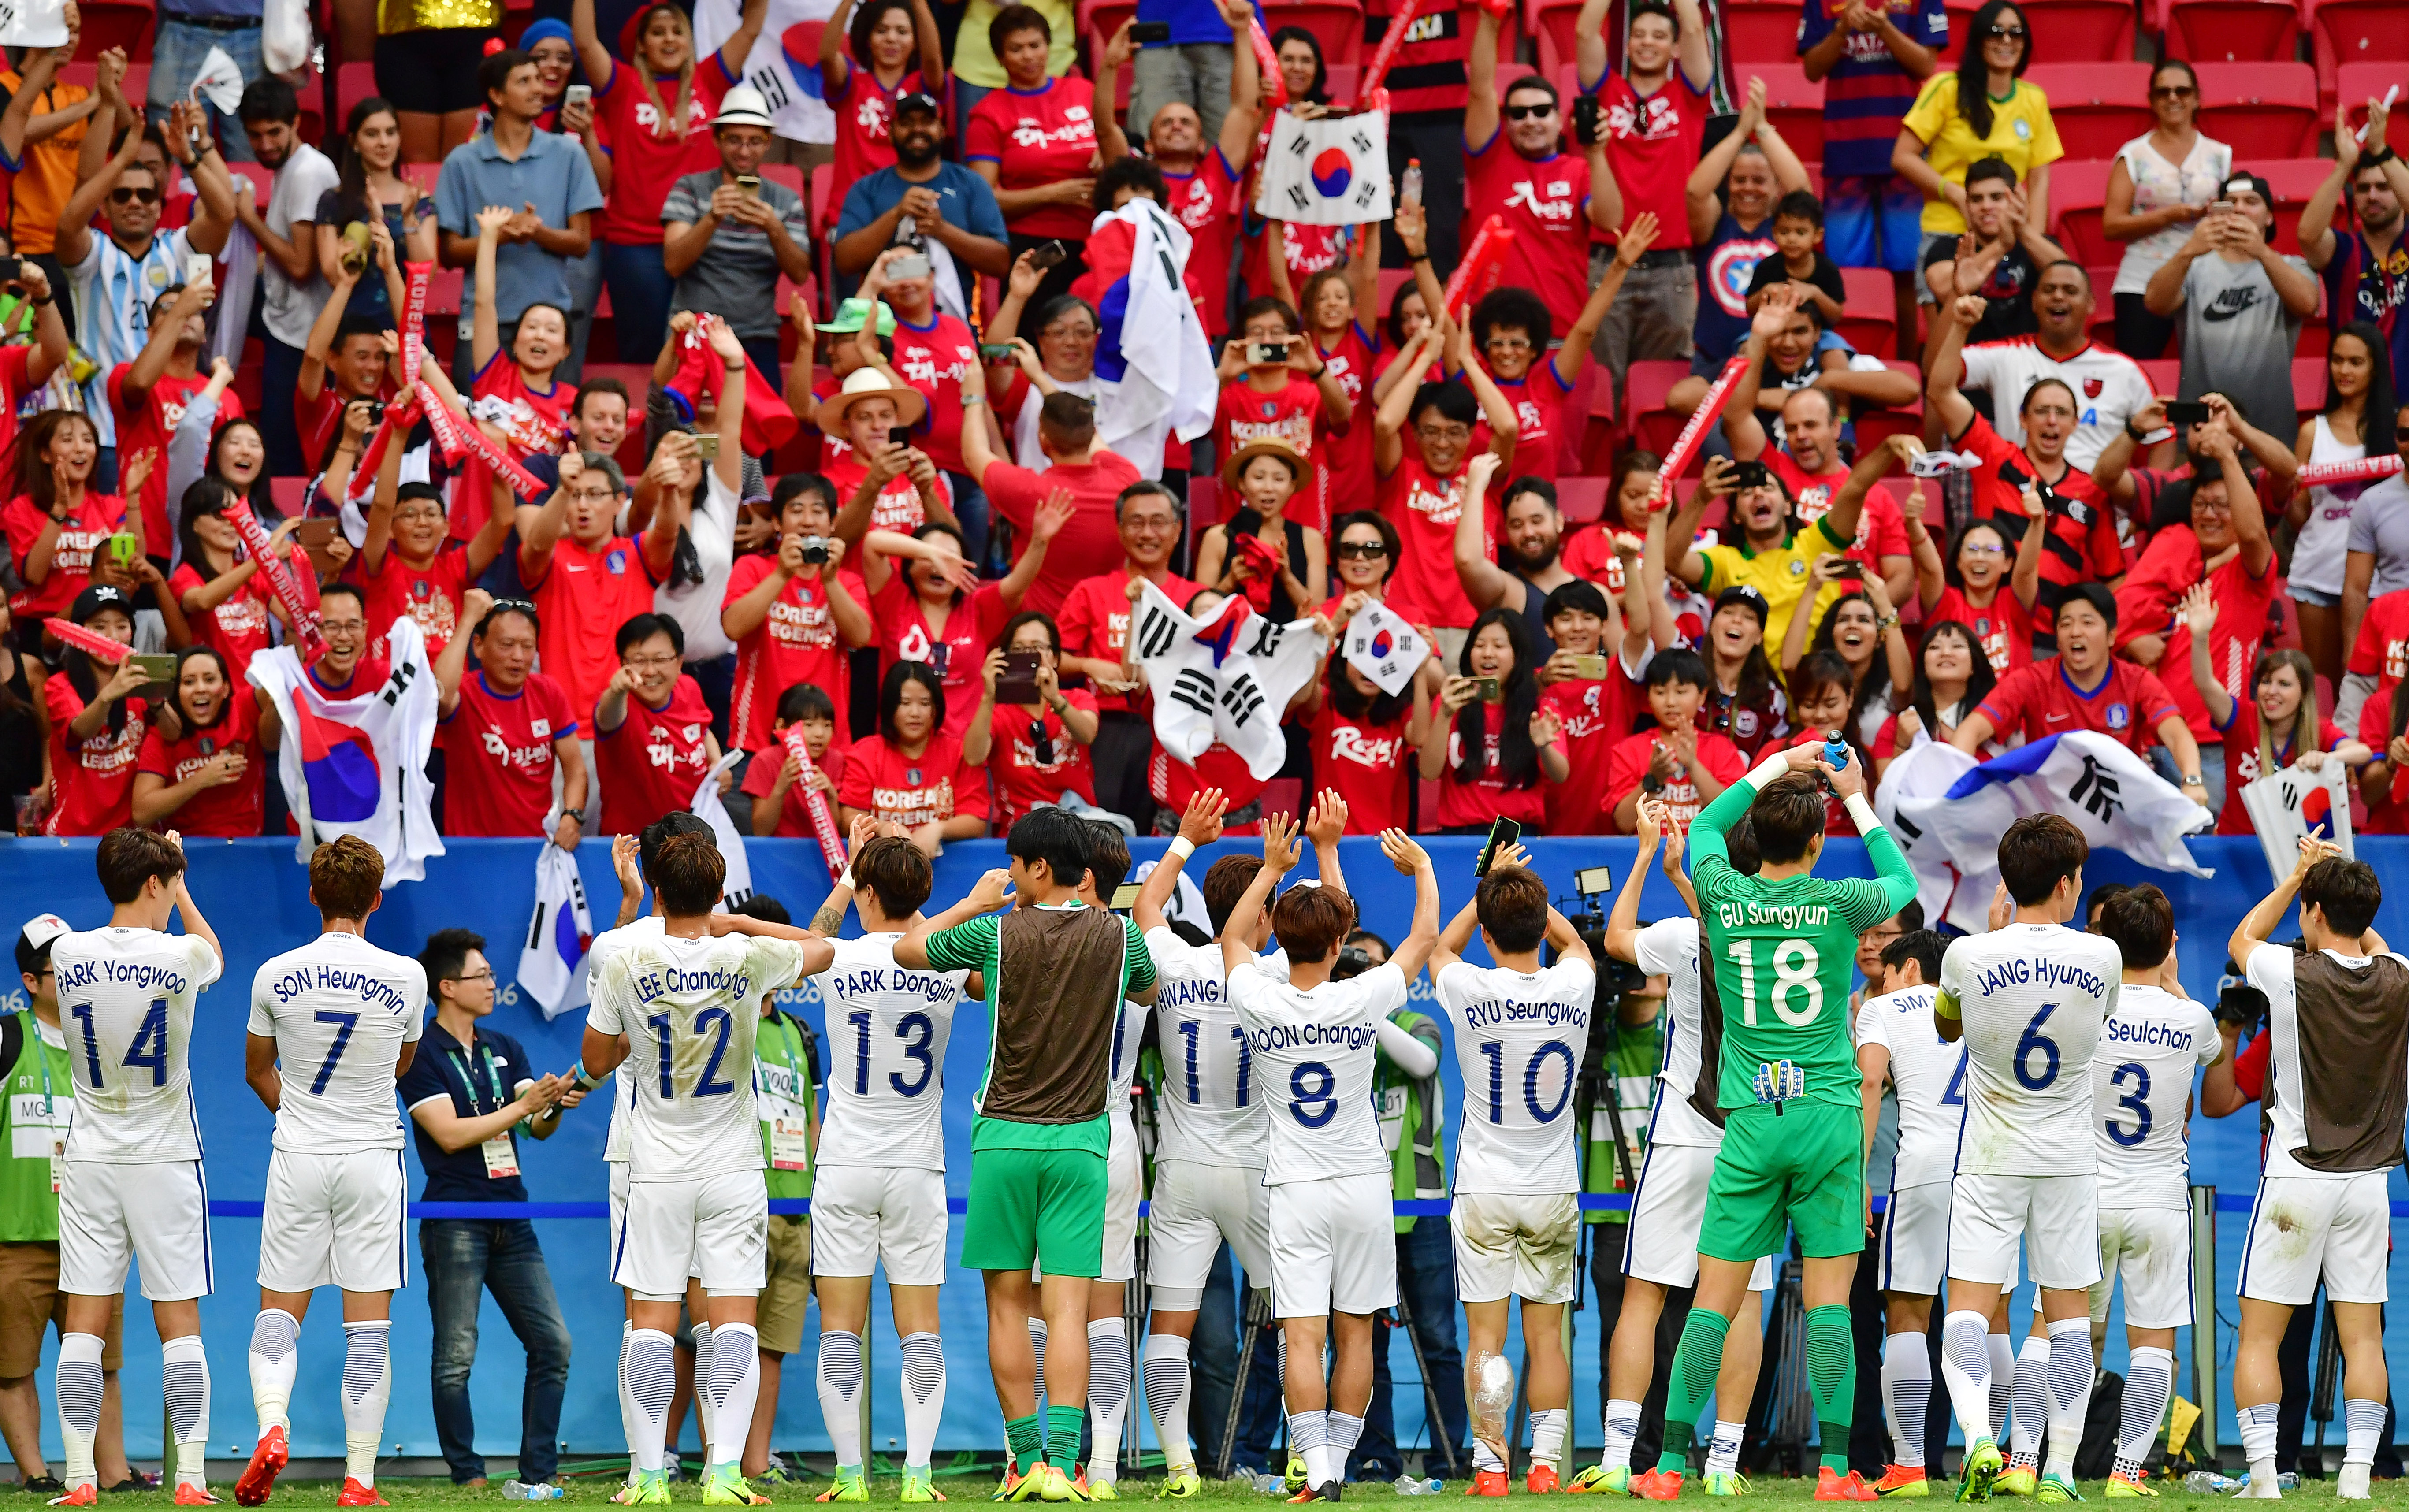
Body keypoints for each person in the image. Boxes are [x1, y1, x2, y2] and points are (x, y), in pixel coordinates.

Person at [1644, 743, 1918, 1500]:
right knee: (1830, 1303)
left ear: (1755, 841)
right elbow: (1903, 881)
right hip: (1829, 1114)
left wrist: (1778, 762)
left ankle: (1670, 1467)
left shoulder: (1723, 893)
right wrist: (1854, 793)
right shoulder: (1838, 902)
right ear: (1818, 843)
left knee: (1711, 1302)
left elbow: (1705, 825)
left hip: (1752, 1118)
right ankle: (1835, 1473)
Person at [893, 807, 1160, 1501]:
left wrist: (970, 904)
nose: (1008, 876)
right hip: (1083, 1143)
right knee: (1069, 1309)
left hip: (1005, 1138)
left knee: (1009, 1305)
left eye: (1014, 865)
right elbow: (1149, 989)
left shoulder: (995, 930)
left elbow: (907, 950)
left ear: (1039, 867)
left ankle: (1022, 1460)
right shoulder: (1121, 933)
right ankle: (1067, 1467)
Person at [584, 832, 830, 1506]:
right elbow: (823, 945)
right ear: (718, 893)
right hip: (732, 1167)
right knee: (734, 1323)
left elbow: (597, 1059)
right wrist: (741, 923)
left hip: (655, 1167)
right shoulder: (745, 954)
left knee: (652, 1324)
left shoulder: (624, 958)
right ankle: (724, 1473)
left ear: (657, 892)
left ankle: (652, 1475)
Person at [1220, 816, 1437, 1502]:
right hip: (1363, 1184)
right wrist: (1425, 870)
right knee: (1358, 1330)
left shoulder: (1259, 994)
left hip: (1294, 1185)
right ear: (1342, 943)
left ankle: (1315, 1467)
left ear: (1277, 938)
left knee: (1304, 1331)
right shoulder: (1362, 995)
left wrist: (1271, 865)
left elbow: (1229, 937)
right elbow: (1424, 938)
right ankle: (1338, 1465)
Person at [1573, 803, 1770, 1497]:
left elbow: (1619, 935)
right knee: (1742, 1302)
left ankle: (1620, 1456)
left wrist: (1645, 858)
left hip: (1685, 1131)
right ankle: (1722, 1463)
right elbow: (1731, 922)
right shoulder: (1793, 933)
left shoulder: (1690, 934)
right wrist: (1686, 879)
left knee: (1645, 1292)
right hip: (1756, 1134)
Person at [1927, 818, 2121, 1498]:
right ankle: (2059, 1470)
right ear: (2067, 883)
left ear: (2006, 882)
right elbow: (2094, 1027)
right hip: (2067, 1156)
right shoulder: (2103, 957)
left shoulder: (1966, 955)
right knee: (2069, 1315)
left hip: (1989, 1153)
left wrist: (1985, 951)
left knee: (1968, 1310)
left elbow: (1945, 1025)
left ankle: (1980, 1435)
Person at [232, 837, 425, 1508]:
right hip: (373, 1154)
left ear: (313, 895)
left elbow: (257, 1069)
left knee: (278, 1312)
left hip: (299, 1154)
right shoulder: (407, 975)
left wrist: (303, 1108)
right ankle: (360, 1480)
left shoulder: (273, 972)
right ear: (376, 898)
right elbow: (401, 1066)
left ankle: (272, 1423)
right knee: (368, 1326)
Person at [45, 828, 223, 1505]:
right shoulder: (182, 953)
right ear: (158, 884)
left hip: (90, 1154)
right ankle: (192, 1479)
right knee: (177, 1321)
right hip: (164, 1153)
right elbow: (212, 952)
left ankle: (81, 1479)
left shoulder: (68, 951)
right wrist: (182, 882)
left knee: (85, 1321)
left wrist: (159, 868)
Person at [796, 829, 969, 1501]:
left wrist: (846, 878)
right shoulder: (947, 956)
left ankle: (847, 1474)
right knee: (919, 1327)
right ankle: (919, 1474)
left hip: (844, 1160)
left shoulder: (839, 953)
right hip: (917, 1165)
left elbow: (816, 933)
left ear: (866, 892)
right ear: (923, 894)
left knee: (840, 1326)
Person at [2226, 845, 2402, 1503]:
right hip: (2369, 1183)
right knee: (2362, 1336)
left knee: (2261, 1335)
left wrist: (2298, 876)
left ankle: (2264, 1479)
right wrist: (2348, 904)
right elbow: (2374, 946)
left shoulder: (2287, 969)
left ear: (2314, 912)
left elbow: (2243, 936)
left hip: (2297, 1177)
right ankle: (2356, 1475)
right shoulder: (2399, 974)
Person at [1428, 859, 1594, 1493]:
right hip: (1552, 1183)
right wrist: (1531, 901)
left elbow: (1441, 946)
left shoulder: (1470, 985)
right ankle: (1547, 1465)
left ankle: (1492, 1467)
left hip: (1483, 1186)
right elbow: (1575, 944)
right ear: (1538, 926)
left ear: (1490, 936)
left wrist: (1486, 890)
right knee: (1546, 1336)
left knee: (1486, 1337)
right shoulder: (1572, 983)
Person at [400, 928, 579, 1493]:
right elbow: (449, 1134)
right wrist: (525, 1105)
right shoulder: (420, 1054)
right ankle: (468, 1472)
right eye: (482, 976)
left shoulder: (506, 1044)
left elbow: (537, 1128)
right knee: (456, 1353)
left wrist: (551, 1105)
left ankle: (539, 1474)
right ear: (447, 986)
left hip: (513, 1218)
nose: (492, 984)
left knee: (554, 1343)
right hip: (454, 1218)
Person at [2084, 887, 2224, 1494]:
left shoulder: (2083, 1008)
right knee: (2152, 1342)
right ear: (2170, 944)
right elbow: (2211, 1060)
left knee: (2062, 1334)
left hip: (2085, 1194)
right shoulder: (2190, 1018)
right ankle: (2125, 1470)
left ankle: (2050, 1462)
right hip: (2159, 1201)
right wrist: (2175, 985)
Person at [0, 914, 135, 1498]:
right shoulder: (6, 1038)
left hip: (96, 1237)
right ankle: (35, 1472)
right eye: (63, 969)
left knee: (102, 1365)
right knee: (13, 1363)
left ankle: (117, 1473)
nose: (79, 977)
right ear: (31, 980)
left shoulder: (105, 1040)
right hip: (18, 1235)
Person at [566, 0, 767, 366]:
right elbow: (585, 42)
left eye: (677, 32)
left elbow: (751, 27)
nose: (669, 40)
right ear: (641, 45)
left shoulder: (711, 79)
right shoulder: (622, 86)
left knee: (705, 354)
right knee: (644, 356)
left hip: (702, 243)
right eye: (658, 33)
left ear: (690, 41)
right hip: (636, 248)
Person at [2099, 406, 2280, 809]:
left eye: (2221, 505)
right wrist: (2132, 641)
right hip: (2152, 741)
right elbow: (2123, 611)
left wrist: (2228, 456)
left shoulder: (2249, 572)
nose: (2209, 514)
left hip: (2215, 743)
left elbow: (2253, 533)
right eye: (2200, 505)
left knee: (2207, 854)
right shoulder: (2175, 558)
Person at [61, 77, 236, 487]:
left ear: (162, 206)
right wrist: (120, 162)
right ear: (105, 205)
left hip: (174, 427)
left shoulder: (178, 249)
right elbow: (68, 224)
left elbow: (225, 214)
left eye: (146, 195)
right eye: (122, 196)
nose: (135, 202)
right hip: (103, 432)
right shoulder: (93, 256)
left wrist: (190, 158)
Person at [1925, 299, 2125, 648]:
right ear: (2023, 419)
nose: (2051, 420)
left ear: (2075, 424)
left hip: (2054, 644)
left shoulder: (2092, 491)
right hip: (1989, 633)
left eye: (2061, 413)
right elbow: (1941, 391)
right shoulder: (1994, 455)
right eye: (2042, 411)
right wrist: (1959, 325)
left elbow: (2114, 579)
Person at [1851, 927, 1954, 1496]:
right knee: (1981, 1317)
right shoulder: (1979, 1001)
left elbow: (1869, 1080)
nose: (1882, 981)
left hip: (1917, 1171)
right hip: (1983, 1171)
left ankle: (1910, 1462)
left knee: (1906, 1317)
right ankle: (1996, 1446)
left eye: (1889, 969)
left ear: (1909, 968)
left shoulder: (1885, 1007)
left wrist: (1856, 1173)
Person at [1093, 2, 1260, 343]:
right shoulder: (1136, 178)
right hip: (1145, 331)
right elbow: (1105, 128)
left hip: (1206, 331)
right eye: (1166, 123)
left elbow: (1244, 107)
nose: (1177, 127)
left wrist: (1241, 33)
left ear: (1202, 142)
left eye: (1187, 122)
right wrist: (1111, 65)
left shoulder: (1217, 174)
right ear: (1149, 143)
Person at [435, 50, 602, 389]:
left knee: (554, 434)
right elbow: (449, 253)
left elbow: (582, 242)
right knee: (478, 430)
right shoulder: (461, 162)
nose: (538, 89)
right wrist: (503, 235)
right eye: (525, 81)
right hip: (482, 319)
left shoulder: (569, 154)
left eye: (539, 80)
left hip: (550, 321)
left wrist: (536, 232)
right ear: (496, 95)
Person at [1573, 0, 1713, 388]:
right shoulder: (1605, 89)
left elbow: (1696, 28)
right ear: (1627, 43)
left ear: (1675, 48)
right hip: (1608, 262)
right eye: (1639, 35)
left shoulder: (1690, 95)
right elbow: (1585, 31)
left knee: (1660, 391)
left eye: (1659, 36)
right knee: (1604, 386)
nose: (1648, 43)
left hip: (1673, 270)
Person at [1672, 430, 1903, 651]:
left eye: (1768, 488)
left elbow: (1855, 488)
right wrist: (1701, 499)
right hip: (1761, 687)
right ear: (1736, 517)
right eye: (1746, 493)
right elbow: (1671, 560)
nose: (1758, 495)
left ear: (1787, 507)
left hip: (1823, 682)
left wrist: (1890, 445)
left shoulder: (1817, 542)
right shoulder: (1724, 561)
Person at [1463, 11, 1623, 326]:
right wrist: (1488, 22)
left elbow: (1611, 221)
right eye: (1519, 114)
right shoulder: (1489, 160)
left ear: (1559, 119)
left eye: (1541, 111)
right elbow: (1481, 88)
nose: (1531, 121)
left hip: (1561, 333)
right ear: (1506, 123)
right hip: (1493, 334)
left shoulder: (1579, 170)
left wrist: (1597, 155)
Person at [518, 449, 677, 764]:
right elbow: (535, 545)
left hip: (632, 725)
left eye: (594, 494)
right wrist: (562, 488)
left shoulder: (637, 553)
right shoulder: (551, 557)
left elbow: (668, 534)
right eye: (575, 495)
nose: (582, 505)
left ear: (620, 502)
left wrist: (670, 490)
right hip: (565, 733)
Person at [1797, 0, 1944, 335]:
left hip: (1905, 154)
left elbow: (1925, 65)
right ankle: (1851, 361)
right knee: (1847, 273)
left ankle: (1908, 366)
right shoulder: (1821, 4)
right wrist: (1842, 29)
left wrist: (1884, 29)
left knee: (1909, 271)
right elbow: (1812, 70)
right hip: (1845, 153)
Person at [1056, 481, 1198, 828]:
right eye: (1136, 522)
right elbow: (1051, 658)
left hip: (1172, 729)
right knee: (1103, 835)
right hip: (1105, 729)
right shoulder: (1091, 591)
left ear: (1178, 530)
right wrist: (1088, 664)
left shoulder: (1197, 598)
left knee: (1163, 833)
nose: (1147, 533)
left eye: (1159, 522)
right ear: (1120, 530)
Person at [1372, 324, 1520, 658]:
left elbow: (1508, 427)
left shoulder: (1483, 475)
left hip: (1475, 627)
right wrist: (1426, 358)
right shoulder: (1400, 472)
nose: (1442, 443)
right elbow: (1384, 424)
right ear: (1416, 434)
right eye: (1430, 432)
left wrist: (1468, 362)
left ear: (1471, 435)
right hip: (1408, 622)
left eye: (1455, 432)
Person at [1891, 0, 2058, 295]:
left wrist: (2033, 237)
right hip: (1949, 231)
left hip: (2008, 237)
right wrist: (1954, 194)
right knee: (1948, 333)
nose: (2006, 40)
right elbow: (1903, 157)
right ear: (1978, 39)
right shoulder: (1946, 88)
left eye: (2016, 33)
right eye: (1996, 31)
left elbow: (2039, 178)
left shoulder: (2035, 99)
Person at [2144, 170, 2320, 440]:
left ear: (2270, 216)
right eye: (2230, 202)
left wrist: (2261, 251)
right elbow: (2155, 304)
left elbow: (2308, 305)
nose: (2239, 209)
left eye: (2251, 202)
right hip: (2199, 424)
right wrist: (2189, 249)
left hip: (2270, 426)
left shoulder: (2293, 266)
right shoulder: (2193, 266)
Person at [1932, 262, 2148, 472]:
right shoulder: (2006, 355)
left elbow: (2162, 441)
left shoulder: (2124, 370)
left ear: (2091, 303)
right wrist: (1959, 308)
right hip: (2018, 495)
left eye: (2070, 291)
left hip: (2094, 499)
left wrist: (2150, 499)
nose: (2058, 296)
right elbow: (1938, 377)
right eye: (2049, 290)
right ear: (2034, 301)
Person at [660, 89, 814, 382]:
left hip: (758, 337)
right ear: (717, 139)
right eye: (734, 140)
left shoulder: (786, 200)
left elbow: (799, 273)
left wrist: (774, 228)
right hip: (696, 332)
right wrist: (712, 218)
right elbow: (673, 264)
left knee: (761, 427)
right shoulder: (690, 188)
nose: (744, 151)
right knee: (688, 426)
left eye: (755, 141)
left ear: (768, 143)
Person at [958, 378, 1139, 619]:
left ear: (1043, 440)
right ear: (1092, 432)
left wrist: (973, 399)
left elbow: (973, 454)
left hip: (1044, 631)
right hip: (1104, 627)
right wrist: (1042, 380)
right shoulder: (1126, 479)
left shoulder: (1032, 493)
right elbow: (1089, 436)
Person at [234, 78, 339, 479]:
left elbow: (300, 265)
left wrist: (249, 220)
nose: (265, 144)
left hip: (302, 336)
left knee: (285, 455)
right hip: (290, 324)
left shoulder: (307, 172)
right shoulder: (291, 166)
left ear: (296, 123)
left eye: (274, 132)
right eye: (255, 135)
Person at [830, 90, 1011, 319]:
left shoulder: (970, 183)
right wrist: (896, 214)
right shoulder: (867, 189)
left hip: (955, 327)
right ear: (891, 133)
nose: (918, 129)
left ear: (943, 131)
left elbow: (1001, 263)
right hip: (883, 329)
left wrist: (942, 230)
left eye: (927, 122)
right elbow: (845, 262)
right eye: (907, 123)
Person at [965, 6, 1100, 312]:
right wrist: (1054, 194)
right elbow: (984, 201)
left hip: (1096, 239)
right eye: (1016, 49)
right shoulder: (989, 113)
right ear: (1000, 58)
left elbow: (1122, 151)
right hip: (1035, 246)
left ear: (1048, 47)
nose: (1028, 56)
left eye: (1035, 46)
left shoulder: (1084, 91)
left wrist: (1108, 142)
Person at [431, 593, 589, 844]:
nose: (518, 656)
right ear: (479, 646)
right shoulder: (465, 693)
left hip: (537, 847)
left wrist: (572, 816)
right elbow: (439, 696)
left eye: (527, 646)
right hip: (470, 850)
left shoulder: (548, 692)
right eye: (506, 644)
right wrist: (469, 619)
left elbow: (575, 769)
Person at [1677, 85, 1811, 375]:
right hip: (1713, 362)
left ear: (1777, 187)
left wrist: (1761, 127)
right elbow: (1695, 193)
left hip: (1778, 361)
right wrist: (1739, 133)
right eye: (1739, 179)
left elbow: (1803, 190)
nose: (1748, 188)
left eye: (1759, 180)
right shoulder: (1714, 223)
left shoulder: (1788, 228)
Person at [2103, 60, 2231, 360]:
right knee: (2139, 372)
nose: (2173, 98)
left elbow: (2231, 210)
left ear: (2197, 98)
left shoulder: (2220, 155)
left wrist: (2217, 211)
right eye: (2163, 92)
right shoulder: (2133, 155)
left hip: (2207, 276)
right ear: (2152, 101)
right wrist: (2168, 216)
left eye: (2182, 91)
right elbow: (2111, 226)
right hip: (2143, 278)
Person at [2288, 326, 2394, 679]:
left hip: (2380, 580)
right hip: (2317, 572)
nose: (2344, 371)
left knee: (2369, 685)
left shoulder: (2398, 432)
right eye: (2337, 360)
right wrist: (2282, 488)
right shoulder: (2311, 432)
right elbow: (2299, 513)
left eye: (2356, 362)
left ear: (2375, 368)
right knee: (2321, 683)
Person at [1420, 598, 1563, 833]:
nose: (1488, 654)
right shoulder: (1450, 702)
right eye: (1479, 645)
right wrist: (1445, 714)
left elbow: (1560, 775)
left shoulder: (1540, 708)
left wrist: (1545, 746)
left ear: (1518, 655)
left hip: (1520, 836)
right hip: (1460, 836)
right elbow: (1428, 772)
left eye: (1499, 646)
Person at [2301, 97, 2409, 393]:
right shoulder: (2344, 249)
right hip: (2353, 405)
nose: (2372, 196)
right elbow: (2308, 236)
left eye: (2384, 187)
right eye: (2363, 188)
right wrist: (2344, 164)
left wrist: (2380, 150)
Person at [963, 612, 1099, 831]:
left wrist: (1055, 699)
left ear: (1055, 658)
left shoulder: (1077, 698)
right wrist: (988, 696)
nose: (1029, 656)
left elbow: (1087, 734)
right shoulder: (998, 712)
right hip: (1021, 833)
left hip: (1079, 829)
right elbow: (973, 757)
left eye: (1037, 647)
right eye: (1018, 650)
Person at [42, 587, 160, 840]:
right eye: (99, 627)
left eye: (122, 626)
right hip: (73, 835)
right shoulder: (59, 686)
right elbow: (81, 730)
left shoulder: (142, 686)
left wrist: (158, 702)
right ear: (78, 634)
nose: (112, 637)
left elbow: (172, 735)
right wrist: (111, 693)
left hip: (131, 839)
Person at [594, 612, 723, 838]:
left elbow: (702, 730)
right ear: (623, 663)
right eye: (639, 660)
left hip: (691, 842)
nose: (651, 671)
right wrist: (616, 691)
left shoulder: (689, 688)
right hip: (633, 847)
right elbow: (607, 718)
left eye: (661, 660)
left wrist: (718, 764)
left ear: (679, 662)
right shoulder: (619, 705)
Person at [836, 661, 990, 850]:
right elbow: (849, 819)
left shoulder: (959, 753)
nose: (915, 713)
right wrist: (884, 828)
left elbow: (976, 821)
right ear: (889, 706)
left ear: (937, 708)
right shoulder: (865, 754)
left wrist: (939, 829)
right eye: (905, 703)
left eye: (925, 703)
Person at [314, 97, 436, 334]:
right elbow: (333, 274)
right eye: (372, 134)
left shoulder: (420, 201)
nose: (384, 143)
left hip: (406, 325)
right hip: (354, 327)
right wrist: (373, 220)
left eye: (391, 133)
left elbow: (426, 276)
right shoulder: (334, 201)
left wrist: (409, 220)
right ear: (355, 142)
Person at [817, 0, 948, 206]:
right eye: (881, 30)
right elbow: (827, 56)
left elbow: (933, 59)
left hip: (911, 211)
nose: (891, 39)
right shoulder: (850, 84)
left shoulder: (923, 86)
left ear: (917, 41)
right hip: (853, 213)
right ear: (868, 39)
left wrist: (919, 3)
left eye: (902, 32)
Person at [130, 646, 269, 837]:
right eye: (189, 682)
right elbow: (141, 813)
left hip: (247, 845)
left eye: (210, 680)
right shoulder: (161, 735)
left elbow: (276, 686)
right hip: (184, 851)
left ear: (226, 688)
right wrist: (202, 779)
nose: (201, 689)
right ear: (176, 691)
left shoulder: (243, 709)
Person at [1920, 158, 2065, 341]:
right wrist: (2001, 246)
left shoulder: (2039, 246)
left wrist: (2023, 231)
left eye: (1997, 198)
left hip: (2029, 358)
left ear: (2016, 200)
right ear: (1967, 204)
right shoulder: (1948, 248)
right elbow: (1944, 289)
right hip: (1970, 359)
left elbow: (2069, 277)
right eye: (1976, 199)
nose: (1986, 207)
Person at [1606, 648, 1745, 833]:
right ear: (1648, 697)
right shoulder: (1629, 750)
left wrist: (1693, 765)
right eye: (1661, 692)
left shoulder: (1722, 749)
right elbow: (1624, 823)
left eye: (1681, 692)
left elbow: (1733, 817)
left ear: (1702, 696)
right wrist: (1653, 779)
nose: (1671, 702)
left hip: (1703, 856)